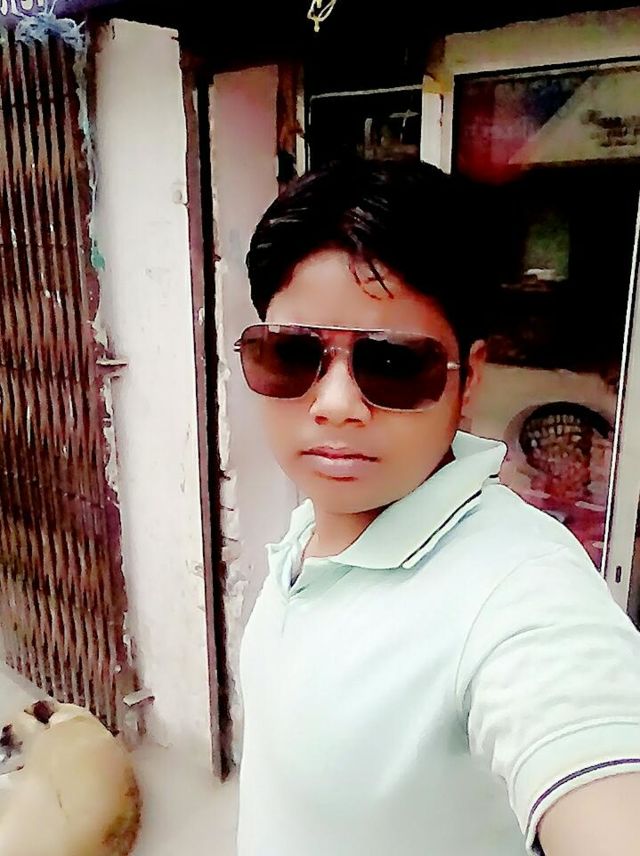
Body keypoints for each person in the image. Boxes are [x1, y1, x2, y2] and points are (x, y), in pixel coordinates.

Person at [234, 159, 640, 856]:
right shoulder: (315, 525)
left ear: (468, 379)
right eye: (294, 355)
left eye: (393, 364)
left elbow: (592, 756)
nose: (335, 405)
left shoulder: (517, 588)